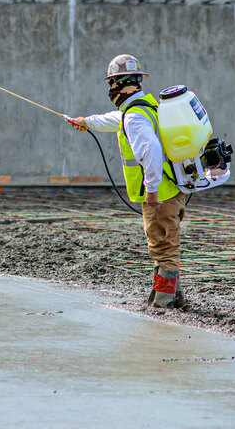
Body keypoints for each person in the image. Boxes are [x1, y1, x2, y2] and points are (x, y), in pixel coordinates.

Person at [68, 54, 186, 309]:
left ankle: (163, 302)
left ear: (123, 85)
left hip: (160, 194)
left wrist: (152, 191)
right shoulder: (143, 106)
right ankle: (171, 296)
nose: (110, 90)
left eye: (112, 83)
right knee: (165, 243)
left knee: (164, 247)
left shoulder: (134, 117)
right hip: (171, 188)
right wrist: (86, 122)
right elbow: (113, 120)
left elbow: (152, 151)